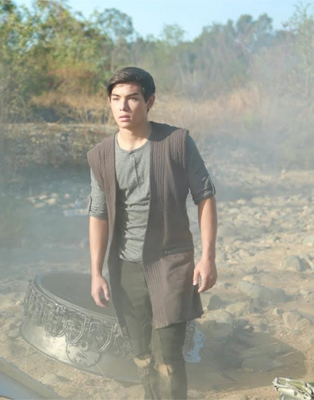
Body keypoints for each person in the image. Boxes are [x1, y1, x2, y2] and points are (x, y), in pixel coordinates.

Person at [88, 67, 217, 400]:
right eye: (115, 99)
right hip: (125, 267)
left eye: (132, 98)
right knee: (141, 354)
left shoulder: (176, 142)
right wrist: (96, 272)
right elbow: (98, 214)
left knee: (169, 356)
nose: (123, 107)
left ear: (150, 101)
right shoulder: (101, 155)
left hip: (170, 262)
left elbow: (205, 196)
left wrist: (207, 258)